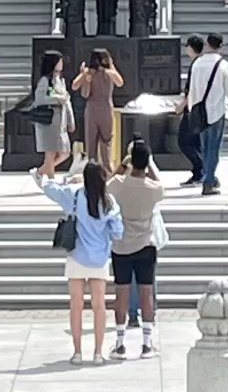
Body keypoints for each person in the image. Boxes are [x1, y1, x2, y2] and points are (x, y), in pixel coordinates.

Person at [35, 160, 123, 365]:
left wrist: (50, 178)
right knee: (99, 306)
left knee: (76, 305)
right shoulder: (108, 202)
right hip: (99, 257)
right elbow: (118, 232)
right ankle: (98, 352)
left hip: (76, 255)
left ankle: (77, 351)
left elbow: (50, 189)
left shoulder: (74, 195)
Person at [109, 140, 165, 358]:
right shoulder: (153, 189)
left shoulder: (118, 185)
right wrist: (149, 165)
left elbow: (109, 180)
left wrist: (123, 166)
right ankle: (147, 343)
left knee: (121, 292)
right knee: (146, 292)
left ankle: (120, 343)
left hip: (121, 245)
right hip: (145, 245)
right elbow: (160, 184)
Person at [186, 31, 228, 196]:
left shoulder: (197, 64)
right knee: (213, 148)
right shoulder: (224, 66)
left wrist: (192, 108)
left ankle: (209, 176)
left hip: (199, 111)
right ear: (221, 46)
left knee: (204, 147)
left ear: (206, 44)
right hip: (217, 111)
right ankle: (209, 180)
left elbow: (192, 89)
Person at [74, 48, 124, 173]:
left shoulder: (88, 73)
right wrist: (112, 66)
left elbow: (75, 86)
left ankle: (92, 170)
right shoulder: (109, 73)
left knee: (91, 143)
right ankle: (107, 170)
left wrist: (83, 74)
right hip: (106, 108)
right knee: (106, 143)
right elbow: (120, 82)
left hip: (91, 109)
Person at [32, 49, 75, 180]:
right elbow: (39, 99)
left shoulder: (60, 80)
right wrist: (57, 99)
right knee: (50, 152)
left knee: (65, 152)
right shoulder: (45, 80)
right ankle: (50, 177)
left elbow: (67, 101)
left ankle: (42, 171)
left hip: (60, 121)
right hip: (49, 120)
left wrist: (70, 120)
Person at [175, 37, 206, 187]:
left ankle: (202, 167)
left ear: (191, 48)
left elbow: (192, 89)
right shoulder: (200, 63)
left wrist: (182, 106)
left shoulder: (196, 65)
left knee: (184, 141)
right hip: (199, 107)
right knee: (195, 142)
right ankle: (198, 172)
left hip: (192, 108)